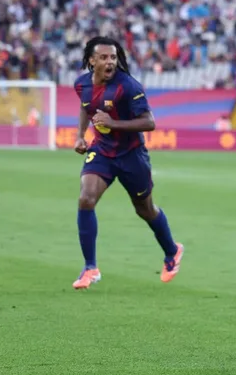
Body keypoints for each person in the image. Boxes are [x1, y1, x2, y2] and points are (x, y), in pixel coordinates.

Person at [72, 36, 183, 290]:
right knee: (86, 198)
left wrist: (113, 123)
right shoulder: (82, 85)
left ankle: (172, 251)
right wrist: (80, 135)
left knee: (145, 209)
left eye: (113, 57)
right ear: (92, 60)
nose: (110, 62)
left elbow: (150, 122)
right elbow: (85, 106)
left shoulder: (128, 86)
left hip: (132, 155)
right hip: (102, 151)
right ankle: (90, 268)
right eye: (104, 57)